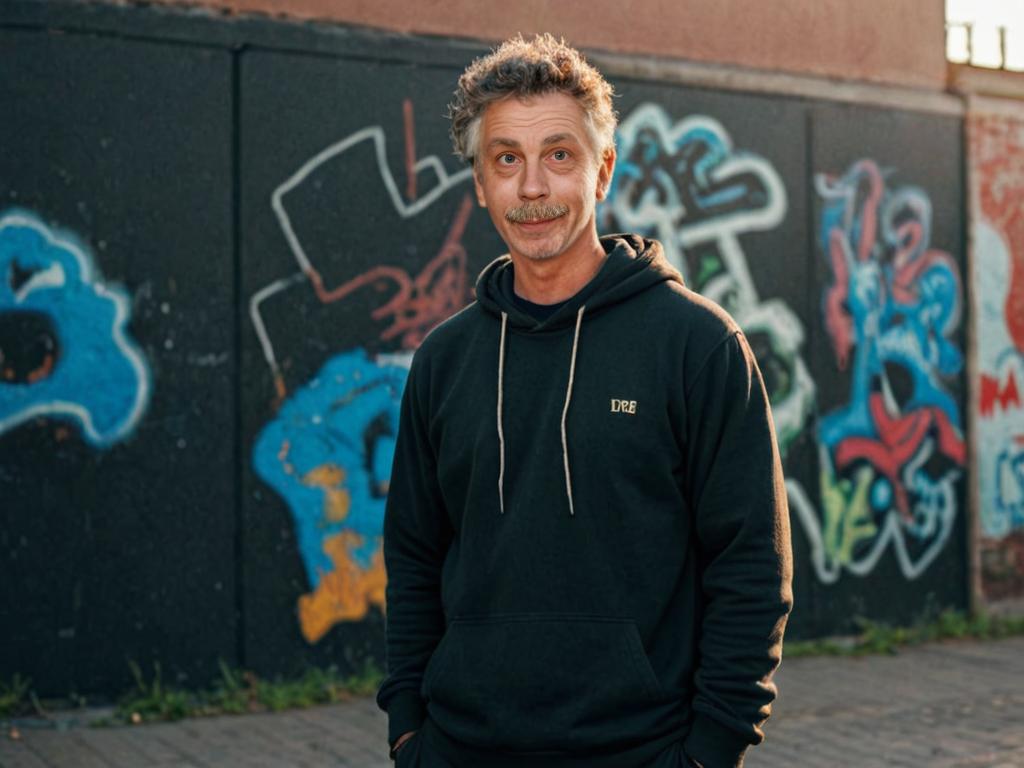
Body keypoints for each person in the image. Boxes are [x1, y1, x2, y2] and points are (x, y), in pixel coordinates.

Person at [375, 34, 793, 768]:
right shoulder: (444, 361)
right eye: (506, 159)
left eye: (558, 155)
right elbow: (413, 557)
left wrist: (710, 750)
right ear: (479, 181)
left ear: (602, 171)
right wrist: (409, 730)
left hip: (643, 751)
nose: (532, 187)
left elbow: (750, 564)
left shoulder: (697, 345)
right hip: (459, 749)